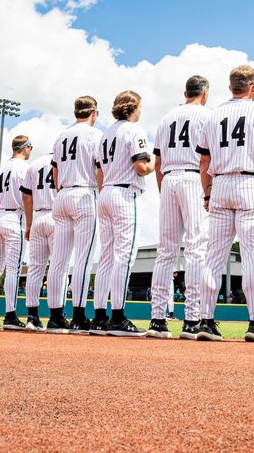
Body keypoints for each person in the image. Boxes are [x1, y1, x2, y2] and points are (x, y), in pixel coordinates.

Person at [196, 65, 254, 343]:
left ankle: (205, 321)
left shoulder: (214, 114)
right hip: (250, 184)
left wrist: (207, 193)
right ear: (253, 86)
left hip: (219, 184)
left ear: (230, 86)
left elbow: (204, 161)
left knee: (213, 257)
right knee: (252, 257)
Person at [147, 75, 211, 340]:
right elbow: (209, 158)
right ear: (205, 93)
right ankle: (192, 319)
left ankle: (157, 319)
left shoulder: (166, 118)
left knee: (165, 251)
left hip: (170, 178)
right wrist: (207, 191)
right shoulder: (207, 115)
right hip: (193, 176)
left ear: (185, 92)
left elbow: (158, 161)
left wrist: (164, 192)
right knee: (196, 248)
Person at [91, 90, 154, 337]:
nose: (141, 111)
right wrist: (155, 163)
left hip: (105, 192)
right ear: (132, 107)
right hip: (125, 193)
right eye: (139, 106)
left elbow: (99, 173)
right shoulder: (134, 130)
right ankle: (117, 318)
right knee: (124, 256)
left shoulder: (105, 134)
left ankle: (99, 318)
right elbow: (140, 166)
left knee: (105, 256)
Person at [48, 95, 105, 333]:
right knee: (83, 258)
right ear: (93, 112)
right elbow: (100, 169)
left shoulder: (62, 135)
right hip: (85, 193)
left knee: (58, 260)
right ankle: (79, 316)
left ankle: (55, 317)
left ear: (75, 112)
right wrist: (102, 197)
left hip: (62, 195)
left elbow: (55, 172)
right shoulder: (95, 135)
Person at [0, 137, 33, 330]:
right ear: (26, 148)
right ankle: (11, 315)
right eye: (30, 147)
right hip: (15, 217)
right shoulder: (24, 167)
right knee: (13, 268)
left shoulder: (1, 168)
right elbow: (27, 197)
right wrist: (30, 223)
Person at [21, 152, 56, 332]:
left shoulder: (34, 164)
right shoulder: (63, 160)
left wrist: (29, 224)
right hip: (57, 216)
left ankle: (32, 316)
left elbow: (27, 197)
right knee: (58, 267)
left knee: (35, 269)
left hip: (37, 217)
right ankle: (57, 315)